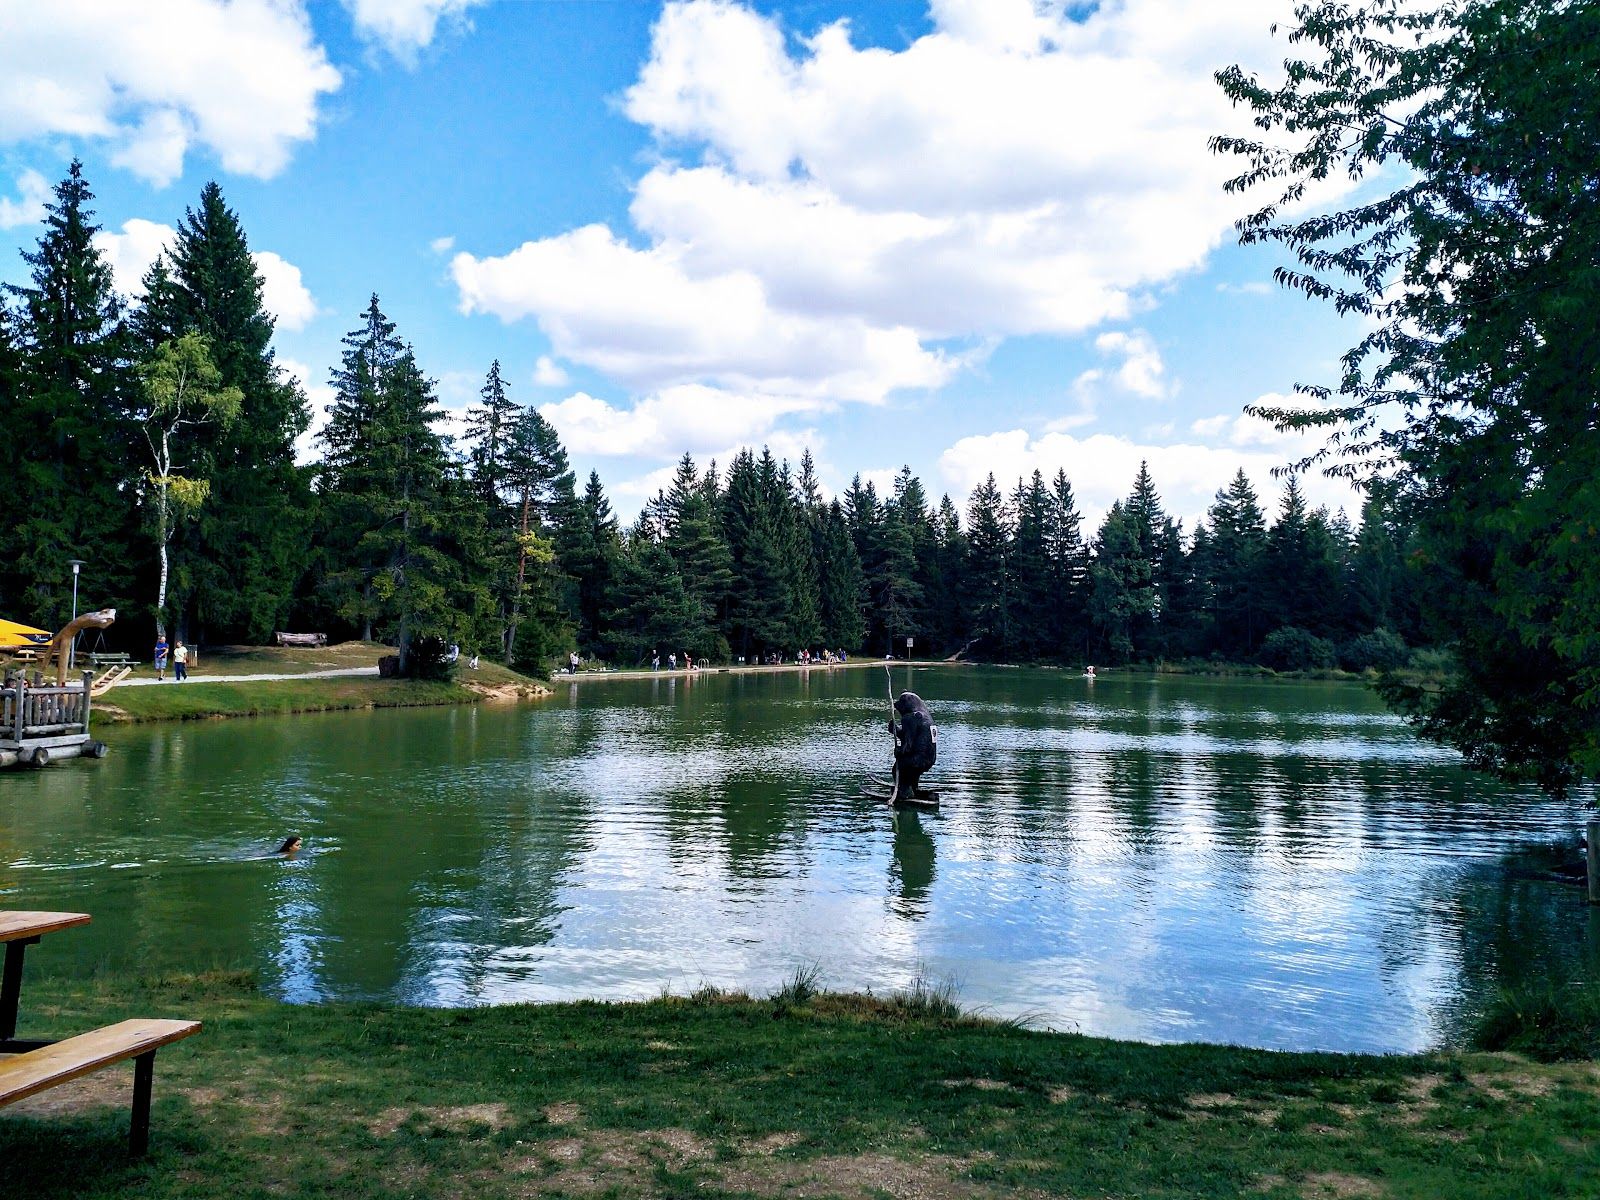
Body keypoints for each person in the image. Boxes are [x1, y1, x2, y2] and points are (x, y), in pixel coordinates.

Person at [887, 690, 938, 803]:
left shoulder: (909, 718)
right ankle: (913, 788)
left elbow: (908, 746)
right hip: (930, 759)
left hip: (918, 759)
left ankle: (904, 791)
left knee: (899, 767)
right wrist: (896, 730)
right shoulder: (925, 716)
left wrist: (899, 751)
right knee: (912, 771)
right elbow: (914, 736)